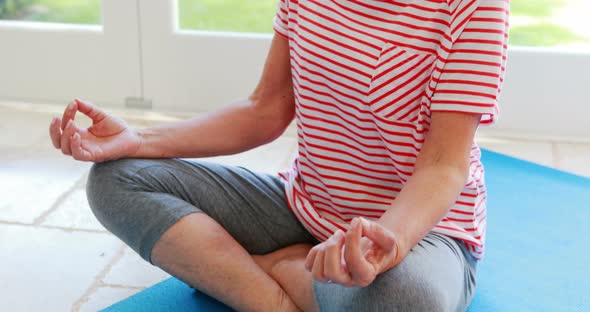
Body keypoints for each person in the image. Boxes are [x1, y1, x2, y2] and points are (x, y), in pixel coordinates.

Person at [48, 1, 509, 311]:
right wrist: (138, 140)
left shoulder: (474, 8)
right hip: (304, 204)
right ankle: (276, 296)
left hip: (421, 234)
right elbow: (265, 109)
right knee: (116, 179)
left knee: (405, 299)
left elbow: (443, 165)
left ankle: (251, 270)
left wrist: (381, 242)